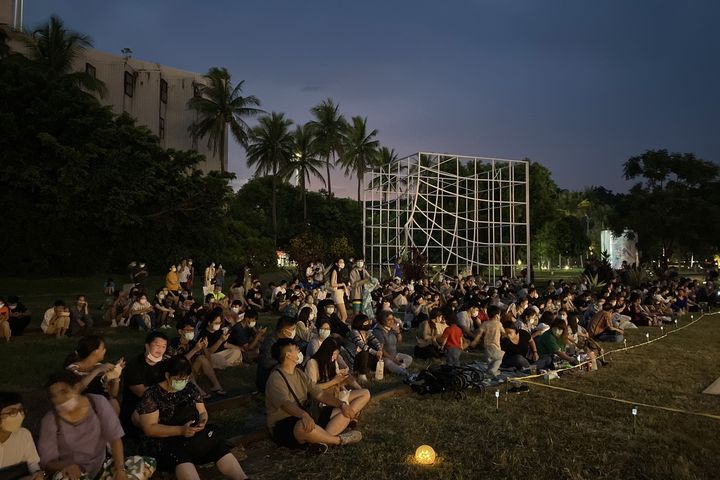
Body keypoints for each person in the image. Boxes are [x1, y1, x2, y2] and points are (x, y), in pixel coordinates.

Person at [137, 356, 248, 479]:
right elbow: (150, 428)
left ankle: (242, 478)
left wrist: (202, 422)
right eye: (179, 379)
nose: (182, 382)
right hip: (165, 441)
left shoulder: (190, 388)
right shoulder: (152, 394)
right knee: (179, 454)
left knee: (217, 446)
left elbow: (202, 412)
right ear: (168, 375)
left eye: (186, 378)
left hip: (192, 436)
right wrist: (181, 430)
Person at [38, 371, 156, 480]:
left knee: (145, 464)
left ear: (77, 387)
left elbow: (114, 438)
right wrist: (67, 466)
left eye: (64, 392)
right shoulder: (50, 420)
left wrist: (120, 470)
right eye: (54, 395)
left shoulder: (97, 403)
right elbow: (47, 462)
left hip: (100, 466)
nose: (59, 399)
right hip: (72, 472)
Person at [265, 338, 363, 451]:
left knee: (344, 412)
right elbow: (286, 404)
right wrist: (303, 415)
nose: (299, 351)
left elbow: (320, 394)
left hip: (307, 415)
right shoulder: (276, 378)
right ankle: (338, 440)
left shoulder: (299, 373)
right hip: (283, 424)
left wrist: (342, 404)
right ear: (288, 355)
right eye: (296, 349)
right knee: (302, 426)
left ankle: (320, 439)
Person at [120, 332, 168, 435]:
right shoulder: (133, 366)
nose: (160, 350)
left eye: (163, 347)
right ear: (147, 346)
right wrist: (166, 387)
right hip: (136, 407)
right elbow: (141, 393)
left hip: (160, 402)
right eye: (157, 345)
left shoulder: (165, 364)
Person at [305, 337, 370, 414]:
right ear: (326, 352)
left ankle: (348, 413)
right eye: (334, 354)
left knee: (365, 393)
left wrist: (343, 381)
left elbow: (337, 382)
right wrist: (334, 381)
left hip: (336, 394)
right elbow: (312, 388)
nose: (335, 356)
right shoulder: (312, 363)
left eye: (337, 354)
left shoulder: (332, 362)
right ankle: (349, 415)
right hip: (322, 398)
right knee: (351, 402)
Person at [64, 335, 124, 414]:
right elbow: (77, 388)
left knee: (113, 402)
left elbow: (113, 394)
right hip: (82, 405)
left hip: (100, 406)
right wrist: (97, 371)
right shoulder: (72, 368)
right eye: (103, 348)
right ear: (95, 351)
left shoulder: (100, 366)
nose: (105, 350)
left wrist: (116, 375)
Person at [167, 319, 226, 398]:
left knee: (201, 358)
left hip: (193, 372)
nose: (191, 332)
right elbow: (176, 364)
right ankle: (198, 391)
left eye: (192, 330)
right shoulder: (173, 344)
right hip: (178, 375)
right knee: (184, 366)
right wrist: (195, 349)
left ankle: (216, 386)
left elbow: (208, 361)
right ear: (180, 331)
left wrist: (205, 348)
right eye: (188, 330)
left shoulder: (193, 343)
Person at [0, 392, 43, 480]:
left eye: (21, 410)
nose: (20, 415)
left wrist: (37, 474)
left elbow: (33, 463)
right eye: (12, 412)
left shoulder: (24, 435)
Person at [255, 316, 297, 393]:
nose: (294, 332)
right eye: (292, 329)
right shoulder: (270, 341)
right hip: (268, 378)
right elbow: (266, 362)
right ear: (284, 331)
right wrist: (285, 361)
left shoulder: (287, 340)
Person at [372, 311, 413, 378]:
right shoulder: (378, 331)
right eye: (389, 320)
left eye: (392, 319)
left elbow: (399, 343)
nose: (392, 321)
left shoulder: (391, 329)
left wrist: (398, 332)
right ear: (382, 320)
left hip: (394, 355)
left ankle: (398, 368)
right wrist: (394, 360)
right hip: (384, 358)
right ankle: (404, 372)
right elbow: (381, 350)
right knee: (388, 363)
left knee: (409, 358)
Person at [469, 305, 504, 378]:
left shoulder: (485, 324)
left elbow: (479, 334)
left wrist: (474, 342)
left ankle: (490, 371)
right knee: (499, 359)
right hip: (496, 347)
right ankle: (492, 371)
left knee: (490, 362)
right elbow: (504, 333)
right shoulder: (498, 324)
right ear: (497, 315)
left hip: (487, 348)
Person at [347, 314, 383, 382]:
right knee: (364, 353)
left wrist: (379, 349)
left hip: (361, 358)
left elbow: (375, 340)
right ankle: (362, 374)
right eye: (366, 322)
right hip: (353, 359)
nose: (368, 323)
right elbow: (361, 345)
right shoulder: (354, 332)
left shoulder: (367, 332)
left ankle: (372, 370)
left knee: (374, 348)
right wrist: (375, 353)